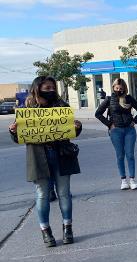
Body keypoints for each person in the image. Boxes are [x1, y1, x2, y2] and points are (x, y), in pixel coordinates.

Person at [8, 76, 82, 247]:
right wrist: (13, 131)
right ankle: (46, 231)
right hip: (38, 157)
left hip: (61, 154)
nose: (51, 91)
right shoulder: (27, 109)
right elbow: (19, 137)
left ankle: (67, 228)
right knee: (42, 194)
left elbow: (70, 131)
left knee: (64, 193)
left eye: (53, 88)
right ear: (37, 89)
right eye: (47, 88)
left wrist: (77, 127)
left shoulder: (61, 106)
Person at [95, 78, 137, 190]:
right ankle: (123, 180)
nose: (119, 90)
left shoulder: (128, 98)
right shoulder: (108, 99)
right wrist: (109, 124)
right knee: (120, 155)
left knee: (130, 155)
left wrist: (134, 121)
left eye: (121, 88)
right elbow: (98, 114)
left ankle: (132, 180)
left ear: (124, 88)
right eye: (117, 88)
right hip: (115, 131)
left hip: (129, 130)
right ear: (113, 88)